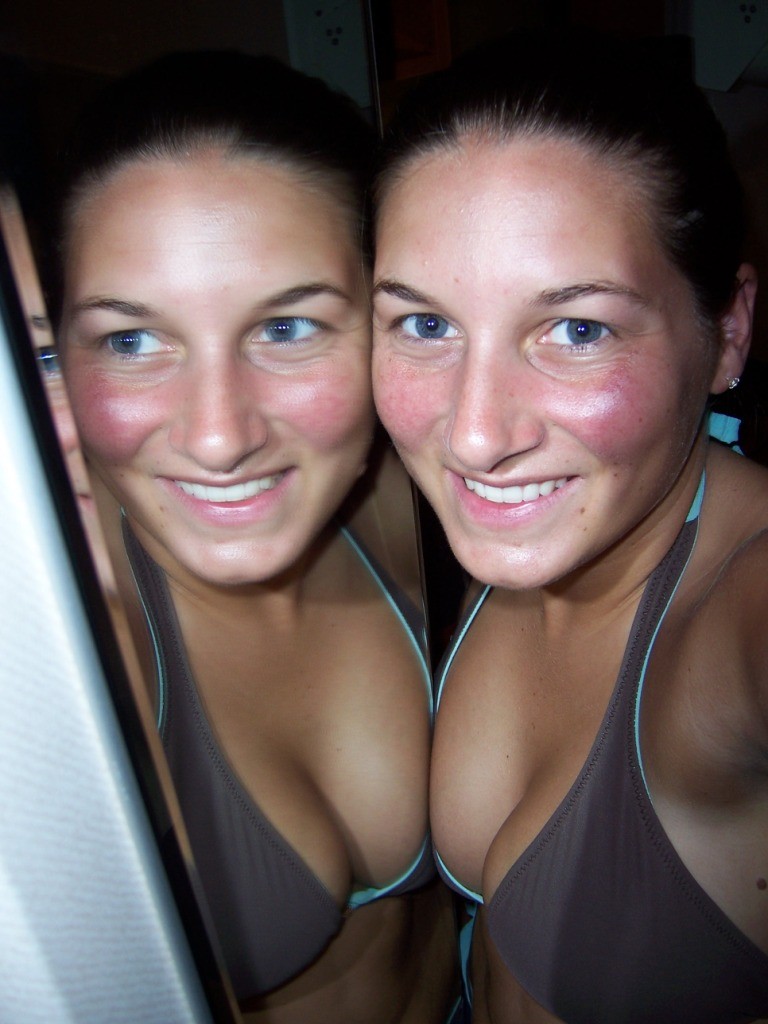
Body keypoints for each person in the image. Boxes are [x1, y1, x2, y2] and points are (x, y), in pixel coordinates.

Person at [372, 30, 768, 1024]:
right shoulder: (533, 518)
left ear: (727, 330)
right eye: (426, 324)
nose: (473, 434)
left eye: (577, 330)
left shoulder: (744, 606)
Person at [55, 52, 458, 1023]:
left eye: (287, 329)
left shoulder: (411, 486)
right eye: (131, 341)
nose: (218, 436)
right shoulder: (64, 656)